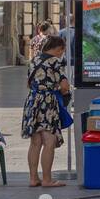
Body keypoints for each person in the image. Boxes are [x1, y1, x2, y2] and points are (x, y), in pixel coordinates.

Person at [22, 35, 70, 188]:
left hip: (32, 101)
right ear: (58, 48)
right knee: (49, 141)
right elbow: (65, 86)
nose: (62, 54)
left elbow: (28, 84)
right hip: (47, 102)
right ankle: (47, 179)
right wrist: (59, 92)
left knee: (35, 142)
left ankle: (33, 178)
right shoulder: (55, 61)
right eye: (62, 51)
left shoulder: (34, 60)